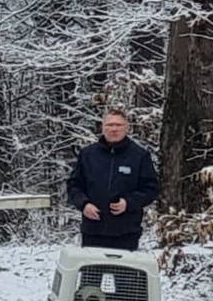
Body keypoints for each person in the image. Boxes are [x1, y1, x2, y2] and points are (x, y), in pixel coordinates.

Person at [66, 108, 159, 251]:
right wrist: (84, 205)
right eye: (109, 125)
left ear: (127, 128)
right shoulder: (88, 155)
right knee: (93, 272)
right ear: (102, 127)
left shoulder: (140, 156)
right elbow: (74, 185)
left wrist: (128, 203)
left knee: (124, 273)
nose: (114, 129)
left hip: (126, 232)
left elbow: (151, 189)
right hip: (93, 231)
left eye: (118, 125)